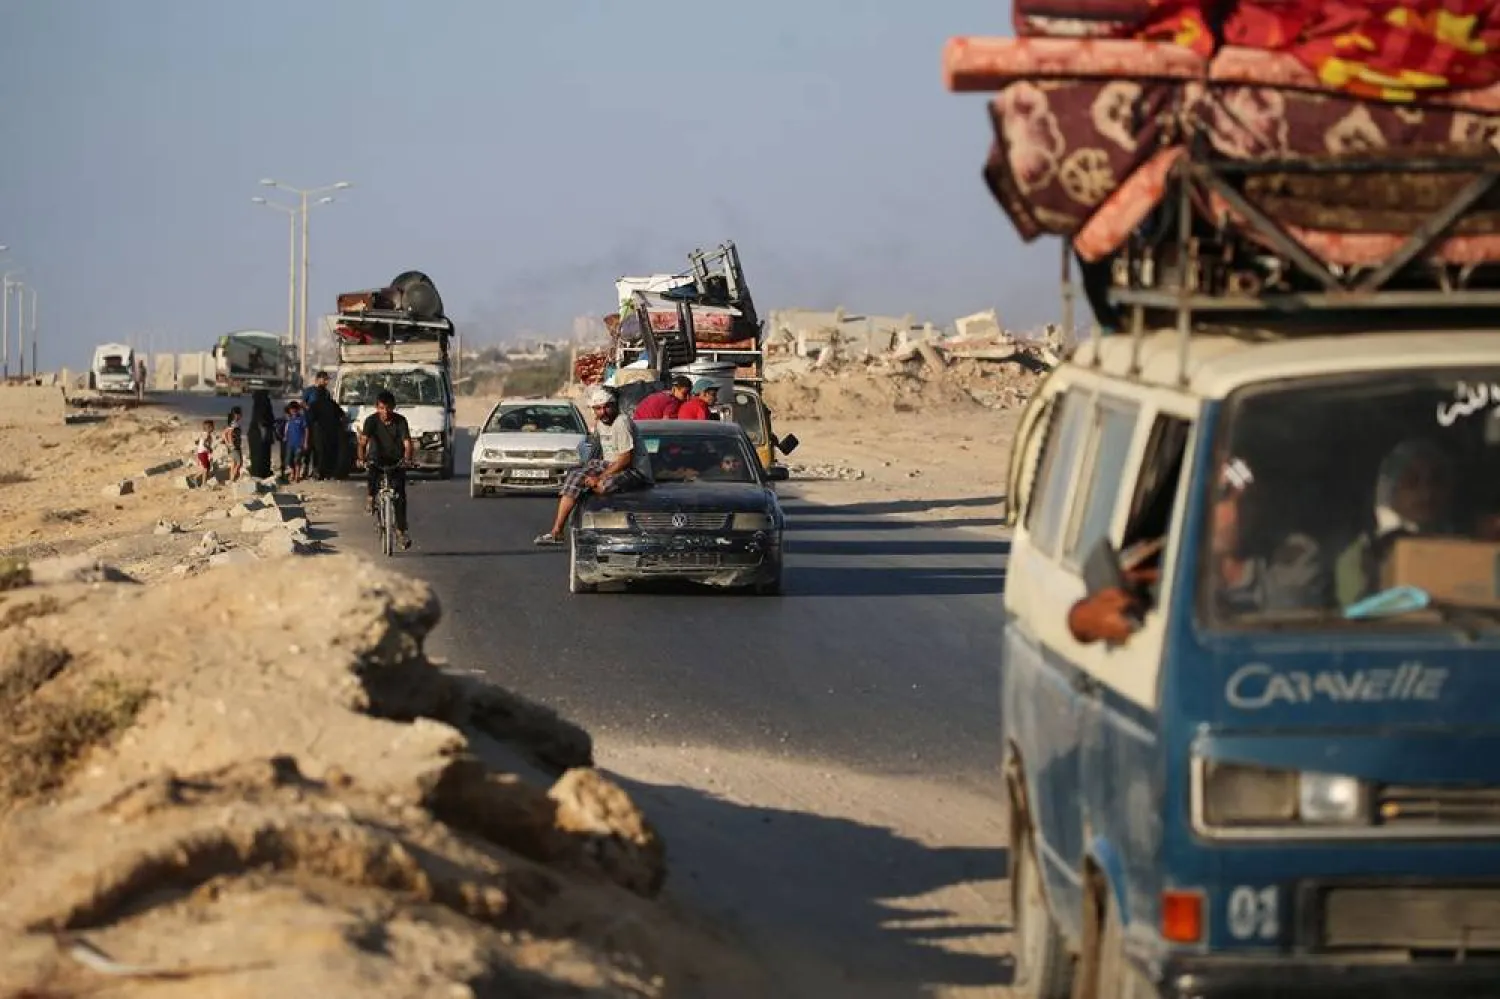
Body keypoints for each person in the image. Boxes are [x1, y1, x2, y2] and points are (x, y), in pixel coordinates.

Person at [1335, 438, 1455, 607]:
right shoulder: (1362, 557)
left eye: (1436, 481)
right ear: (1391, 489)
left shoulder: (1469, 549)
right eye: (1411, 482)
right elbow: (1359, 622)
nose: (1426, 493)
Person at [534, 385, 653, 545]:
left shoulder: (621, 422)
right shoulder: (600, 423)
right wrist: (586, 471)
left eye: (606, 407)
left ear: (615, 406)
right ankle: (557, 531)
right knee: (574, 477)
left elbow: (625, 459)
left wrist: (598, 478)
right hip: (610, 464)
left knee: (603, 486)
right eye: (598, 408)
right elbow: (598, 451)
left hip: (633, 470)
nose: (602, 412)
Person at [357, 390, 415, 551]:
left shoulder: (401, 421)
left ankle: (401, 531)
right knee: (372, 474)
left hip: (396, 460)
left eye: (388, 408)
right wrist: (361, 459)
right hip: (377, 458)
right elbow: (362, 443)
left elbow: (407, 444)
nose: (385, 412)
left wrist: (408, 459)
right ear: (377, 408)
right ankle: (370, 499)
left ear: (394, 407)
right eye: (382, 408)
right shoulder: (371, 421)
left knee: (400, 496)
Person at [307, 384, 346, 481]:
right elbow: (342, 415)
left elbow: (311, 418)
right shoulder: (332, 403)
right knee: (330, 452)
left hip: (319, 433)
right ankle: (329, 473)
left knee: (319, 453)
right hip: (332, 432)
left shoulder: (314, 404)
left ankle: (319, 472)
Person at [247, 389, 275, 479]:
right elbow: (263, 420)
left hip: (255, 434)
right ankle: (262, 472)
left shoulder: (257, 404)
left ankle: (258, 472)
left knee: (257, 455)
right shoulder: (264, 404)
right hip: (260, 434)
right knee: (262, 455)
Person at [283, 401, 309, 484]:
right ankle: (293, 472)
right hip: (290, 443)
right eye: (291, 409)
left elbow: (306, 430)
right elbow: (287, 429)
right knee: (289, 460)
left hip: (299, 443)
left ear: (298, 410)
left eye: (295, 409)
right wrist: (285, 436)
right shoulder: (289, 419)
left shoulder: (302, 418)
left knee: (297, 460)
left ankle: (297, 475)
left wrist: (305, 442)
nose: (293, 411)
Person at [221, 406, 244, 482]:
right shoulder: (235, 424)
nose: (242, 415)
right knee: (239, 463)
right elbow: (229, 434)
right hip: (234, 447)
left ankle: (231, 479)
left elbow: (224, 433)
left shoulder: (231, 423)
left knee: (233, 463)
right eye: (241, 413)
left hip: (232, 447)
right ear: (236, 415)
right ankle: (232, 480)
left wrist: (227, 443)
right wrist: (231, 444)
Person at [194, 419, 215, 487]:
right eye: (212, 426)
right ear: (208, 428)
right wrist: (210, 448)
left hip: (202, 453)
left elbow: (196, 441)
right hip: (203, 453)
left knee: (207, 467)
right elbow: (205, 444)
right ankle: (203, 483)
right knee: (205, 468)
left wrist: (199, 443)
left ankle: (202, 478)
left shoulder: (203, 433)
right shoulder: (207, 435)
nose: (214, 428)